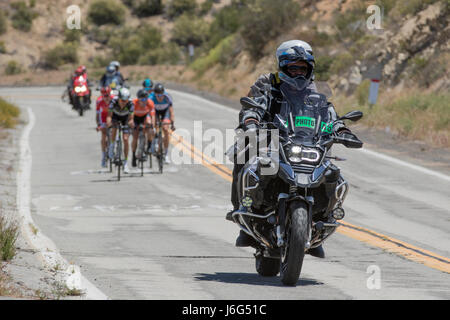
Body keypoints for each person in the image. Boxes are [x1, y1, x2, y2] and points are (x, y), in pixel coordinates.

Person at [227, 40, 362, 258]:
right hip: (271, 139)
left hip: (306, 142)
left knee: (331, 174)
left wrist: (342, 130)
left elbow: (329, 114)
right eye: (293, 68)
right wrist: (251, 120)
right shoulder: (267, 83)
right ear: (282, 67)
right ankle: (243, 210)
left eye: (303, 68)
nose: (299, 72)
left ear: (310, 69)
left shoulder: (315, 90)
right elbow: (253, 105)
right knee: (243, 155)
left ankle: (318, 220)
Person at [106, 87, 134, 174]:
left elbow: (131, 119)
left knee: (125, 139)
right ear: (119, 98)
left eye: (125, 101)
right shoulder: (113, 102)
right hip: (115, 117)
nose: (123, 103)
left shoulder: (130, 104)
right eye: (122, 100)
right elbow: (109, 116)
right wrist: (109, 124)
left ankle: (125, 163)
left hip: (125, 119)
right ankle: (112, 145)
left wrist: (130, 124)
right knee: (114, 129)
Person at [149, 83, 175, 164]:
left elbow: (171, 112)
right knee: (154, 125)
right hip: (155, 112)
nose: (160, 97)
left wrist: (173, 123)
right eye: (158, 96)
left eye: (161, 95)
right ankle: (154, 142)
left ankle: (166, 154)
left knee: (166, 129)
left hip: (165, 112)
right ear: (155, 94)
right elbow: (150, 112)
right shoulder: (151, 98)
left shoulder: (167, 98)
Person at [130, 89, 156, 168]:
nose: (144, 101)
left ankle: (148, 146)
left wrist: (152, 126)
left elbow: (153, 116)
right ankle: (134, 155)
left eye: (146, 99)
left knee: (149, 125)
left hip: (145, 117)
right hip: (135, 118)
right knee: (135, 136)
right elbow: (130, 117)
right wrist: (132, 124)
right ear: (138, 99)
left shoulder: (150, 103)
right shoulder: (133, 103)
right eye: (142, 99)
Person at [96, 86, 114, 168]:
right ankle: (103, 156)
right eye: (104, 96)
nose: (106, 97)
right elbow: (98, 115)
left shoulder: (114, 100)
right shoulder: (99, 101)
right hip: (103, 118)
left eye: (108, 95)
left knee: (114, 134)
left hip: (112, 117)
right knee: (104, 137)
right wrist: (99, 125)